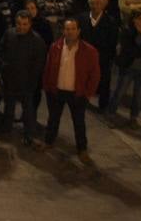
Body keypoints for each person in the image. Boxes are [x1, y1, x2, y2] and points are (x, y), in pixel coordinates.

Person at [42, 17, 101, 163]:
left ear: (78, 31)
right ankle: (48, 142)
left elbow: (95, 75)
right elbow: (48, 68)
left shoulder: (89, 51)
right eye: (67, 29)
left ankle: (82, 150)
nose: (70, 32)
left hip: (77, 94)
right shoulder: (55, 47)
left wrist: (87, 94)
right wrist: (48, 87)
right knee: (53, 119)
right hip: (57, 92)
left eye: (73, 29)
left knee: (79, 123)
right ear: (63, 31)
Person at [0, 11, 48, 146]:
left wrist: (32, 82)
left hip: (27, 82)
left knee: (28, 110)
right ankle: (7, 127)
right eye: (19, 23)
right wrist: (4, 66)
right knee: (9, 106)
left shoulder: (37, 41)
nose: (21, 27)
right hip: (10, 79)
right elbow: (0, 50)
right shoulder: (9, 34)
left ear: (30, 24)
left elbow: (39, 65)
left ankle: (28, 134)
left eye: (25, 24)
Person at [105, 9, 141, 127]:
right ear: (133, 19)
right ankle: (111, 114)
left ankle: (133, 117)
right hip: (129, 66)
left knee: (139, 95)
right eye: (139, 18)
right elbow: (128, 49)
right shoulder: (127, 30)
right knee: (120, 92)